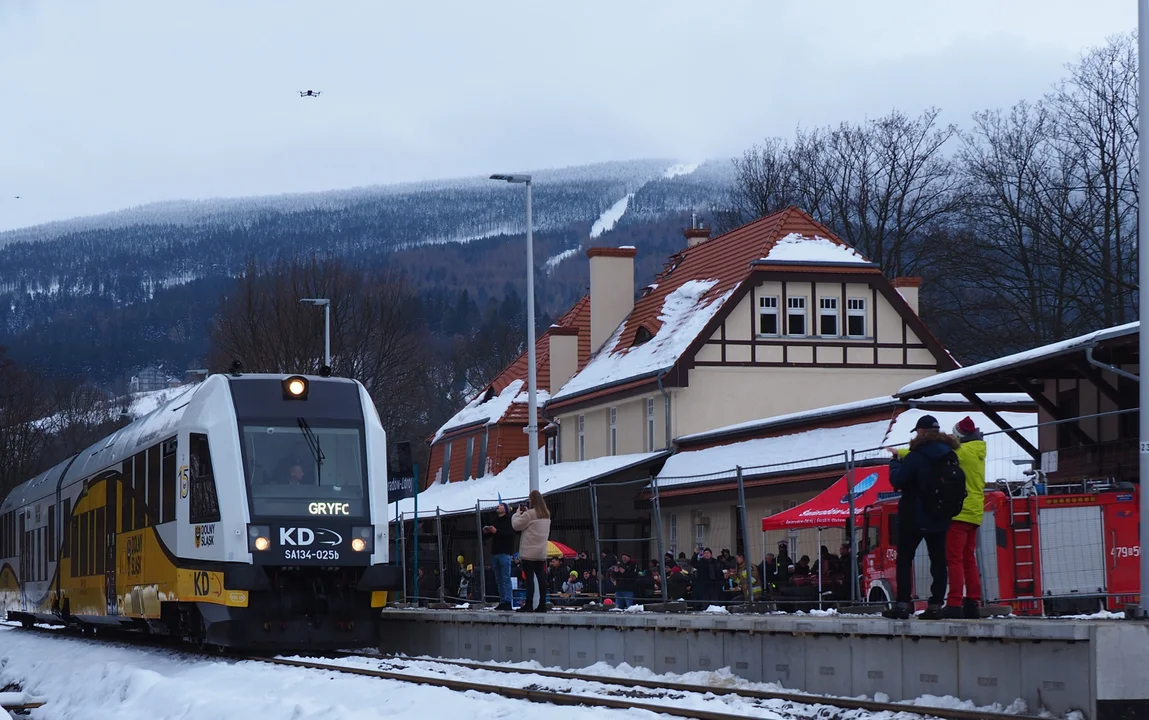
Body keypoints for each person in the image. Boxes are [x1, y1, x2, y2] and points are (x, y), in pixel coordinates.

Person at [883, 414, 958, 620]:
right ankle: (935, 605)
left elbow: (898, 481)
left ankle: (902, 605)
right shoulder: (950, 454)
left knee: (905, 560)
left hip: (913, 516)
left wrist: (895, 463)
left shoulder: (915, 456)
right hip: (940, 515)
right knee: (938, 562)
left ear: (922, 432)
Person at [944, 416, 987, 619]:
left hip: (959, 511)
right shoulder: (979, 451)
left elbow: (936, 454)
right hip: (975, 512)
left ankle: (953, 603)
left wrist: (900, 453)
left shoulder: (962, 451)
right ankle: (972, 602)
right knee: (969, 559)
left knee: (954, 559)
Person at [511, 491, 552, 612]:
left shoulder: (529, 514)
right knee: (541, 578)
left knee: (529, 579)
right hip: (540, 552)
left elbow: (516, 525)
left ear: (532, 500)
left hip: (529, 552)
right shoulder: (546, 514)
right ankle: (542, 604)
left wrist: (517, 514)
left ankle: (528, 604)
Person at [482, 503, 516, 610]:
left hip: (505, 552)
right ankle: (502, 601)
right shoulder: (495, 520)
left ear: (505, 509)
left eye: (500, 505)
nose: (498, 506)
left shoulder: (509, 520)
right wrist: (487, 532)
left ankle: (508, 601)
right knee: (499, 579)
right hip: (495, 552)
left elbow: (509, 535)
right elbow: (491, 536)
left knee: (505, 578)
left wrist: (496, 531)